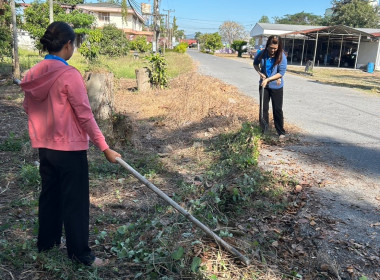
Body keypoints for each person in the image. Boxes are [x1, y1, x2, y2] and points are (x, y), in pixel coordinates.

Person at [20, 22, 121, 267]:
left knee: (50, 196)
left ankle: (47, 243)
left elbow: (27, 106)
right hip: (71, 149)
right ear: (68, 45)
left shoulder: (32, 74)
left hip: (46, 148)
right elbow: (85, 115)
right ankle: (81, 255)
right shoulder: (69, 75)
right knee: (75, 202)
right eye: (73, 44)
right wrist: (104, 147)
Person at [253, 35, 287, 139]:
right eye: (271, 47)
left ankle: (281, 132)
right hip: (264, 86)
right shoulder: (261, 53)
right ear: (267, 45)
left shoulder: (281, 56)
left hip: (276, 87)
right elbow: (255, 64)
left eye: (275, 48)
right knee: (263, 108)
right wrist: (260, 73)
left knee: (277, 109)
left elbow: (281, 73)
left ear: (279, 47)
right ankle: (264, 131)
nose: (272, 50)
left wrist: (268, 79)